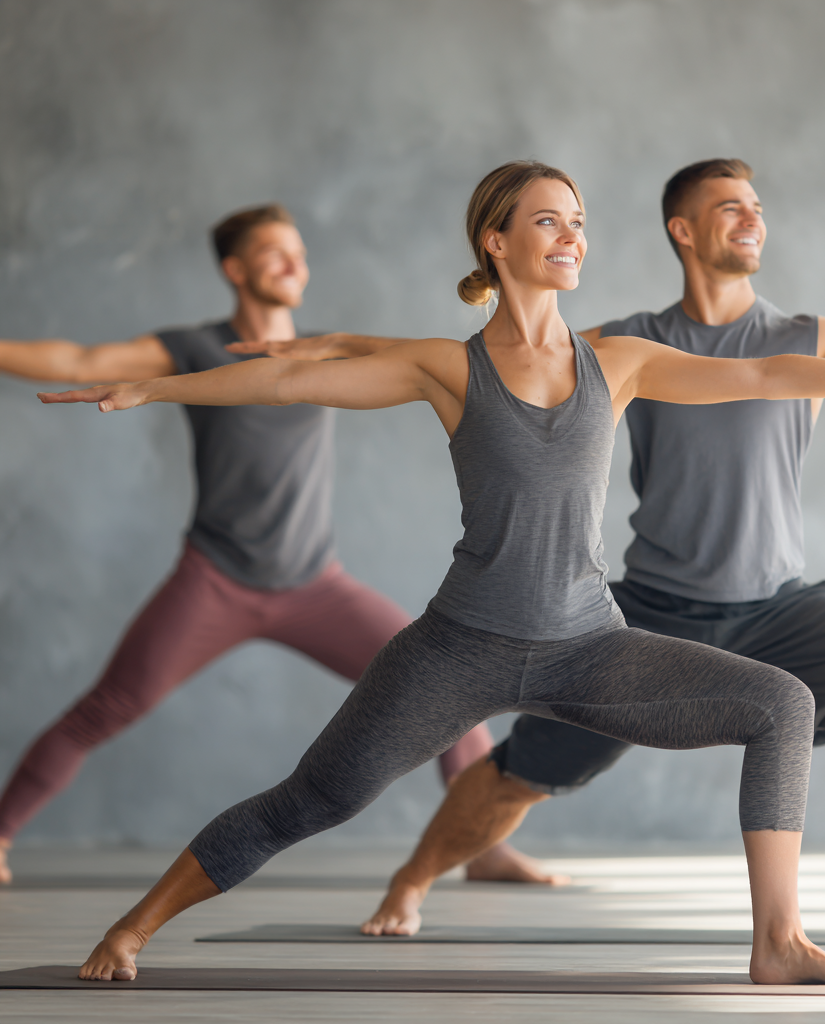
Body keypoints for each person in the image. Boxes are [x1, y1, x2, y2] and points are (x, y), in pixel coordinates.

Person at [46, 160, 825, 986]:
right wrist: (152, 385)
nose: (571, 235)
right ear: (496, 242)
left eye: (579, 222)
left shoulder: (621, 359)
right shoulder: (449, 367)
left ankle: (779, 941)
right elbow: (288, 378)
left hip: (589, 646)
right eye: (548, 219)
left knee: (782, 705)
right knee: (316, 800)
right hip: (460, 648)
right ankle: (131, 927)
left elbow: (763, 378)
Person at [355, 158, 825, 942]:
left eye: (758, 207)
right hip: (645, 615)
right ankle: (410, 881)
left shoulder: (807, 340)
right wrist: (346, 350)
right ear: (684, 229)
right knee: (530, 770)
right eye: (731, 207)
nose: (753, 218)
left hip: (780, 609)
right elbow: (496, 357)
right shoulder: (628, 344)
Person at [0, 202, 532, 888]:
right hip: (213, 581)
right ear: (235, 269)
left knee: (447, 686)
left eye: (300, 253)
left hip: (316, 586)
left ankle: (481, 847)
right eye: (275, 253)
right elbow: (79, 359)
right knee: (105, 709)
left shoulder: (325, 346)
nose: (295, 264)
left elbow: (447, 363)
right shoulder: (193, 349)